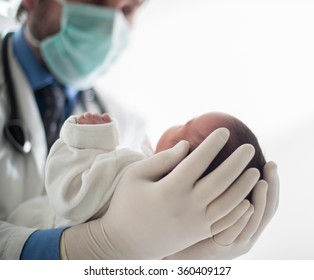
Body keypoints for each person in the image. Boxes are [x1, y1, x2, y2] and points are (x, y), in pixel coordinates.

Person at [0, 0, 279, 260]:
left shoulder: (129, 126)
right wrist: (94, 247)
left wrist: (173, 255)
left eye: (128, 9)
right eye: (98, 1)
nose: (113, 23)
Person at [8, 111, 266, 231]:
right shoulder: (167, 222)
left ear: (178, 151)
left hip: (27, 230)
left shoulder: (133, 171)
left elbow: (70, 192)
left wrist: (88, 137)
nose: (177, 122)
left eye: (186, 123)